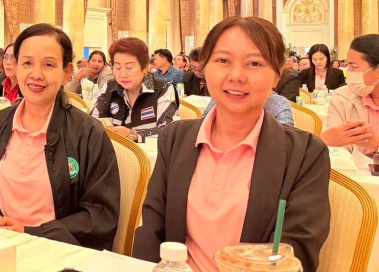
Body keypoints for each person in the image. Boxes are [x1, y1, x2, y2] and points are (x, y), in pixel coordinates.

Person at [133, 17, 330, 271]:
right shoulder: (176, 138)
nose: (236, 76)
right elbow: (152, 229)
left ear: (276, 76)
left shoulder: (305, 153)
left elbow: (296, 251)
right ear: (205, 68)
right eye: (223, 60)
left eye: (254, 63)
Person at [0, 23, 120, 250]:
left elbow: (100, 215)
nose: (36, 74)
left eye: (48, 64)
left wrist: (31, 233)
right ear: (15, 67)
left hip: (56, 252)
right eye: (27, 63)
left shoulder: (89, 134)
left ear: (66, 72)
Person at [92, 38, 177, 140]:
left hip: (149, 150)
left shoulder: (163, 88)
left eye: (130, 68)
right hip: (113, 149)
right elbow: (91, 123)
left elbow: (167, 130)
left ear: (145, 67)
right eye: (118, 68)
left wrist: (132, 134)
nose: (123, 75)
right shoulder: (109, 87)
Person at [323, 34, 379, 166]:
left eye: (354, 67)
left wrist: (377, 147)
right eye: (348, 65)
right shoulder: (342, 97)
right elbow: (336, 151)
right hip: (353, 176)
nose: (348, 71)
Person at [202, 91, 294, 126]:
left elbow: (284, 143)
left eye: (254, 64)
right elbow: (202, 123)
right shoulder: (220, 95)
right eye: (224, 61)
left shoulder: (279, 104)